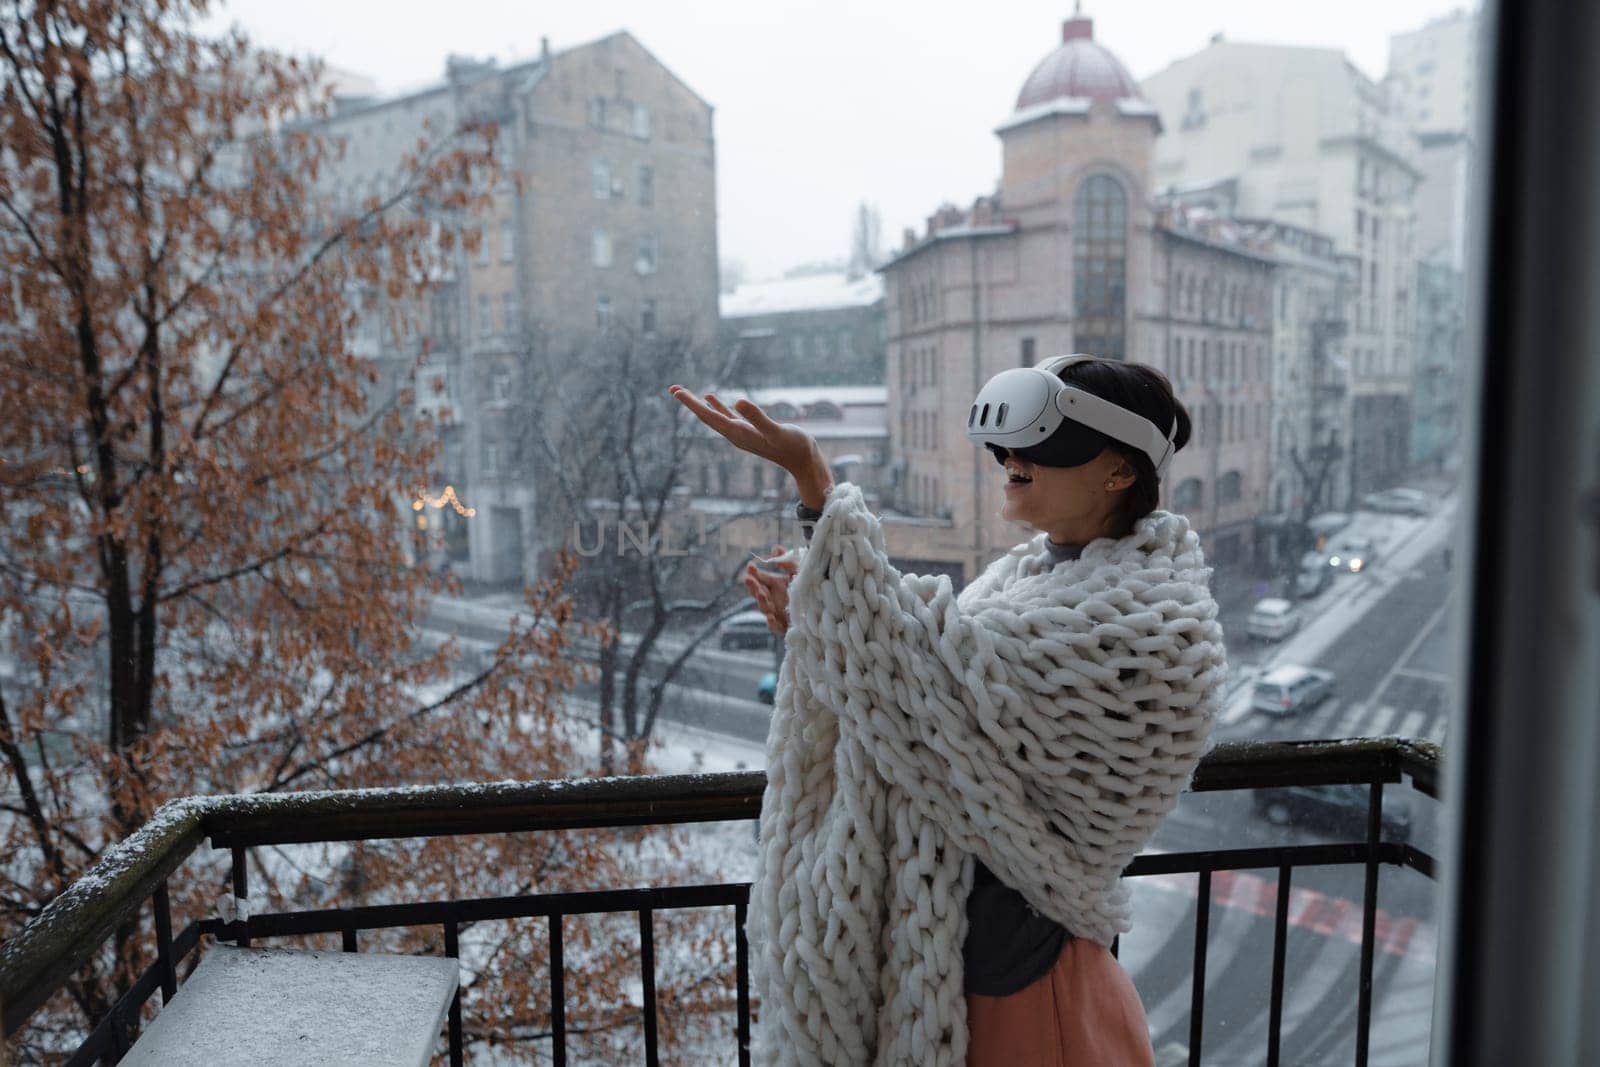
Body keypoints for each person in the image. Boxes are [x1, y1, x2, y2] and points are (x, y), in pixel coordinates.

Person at [669, 355, 1227, 1067]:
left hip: (1024, 995)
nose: (1012, 459)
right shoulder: (1023, 582)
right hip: (955, 970)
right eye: (1008, 444)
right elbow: (923, 698)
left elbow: (929, 698)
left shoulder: (1154, 623)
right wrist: (819, 627)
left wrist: (815, 482)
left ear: (1119, 471)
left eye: (1044, 443)